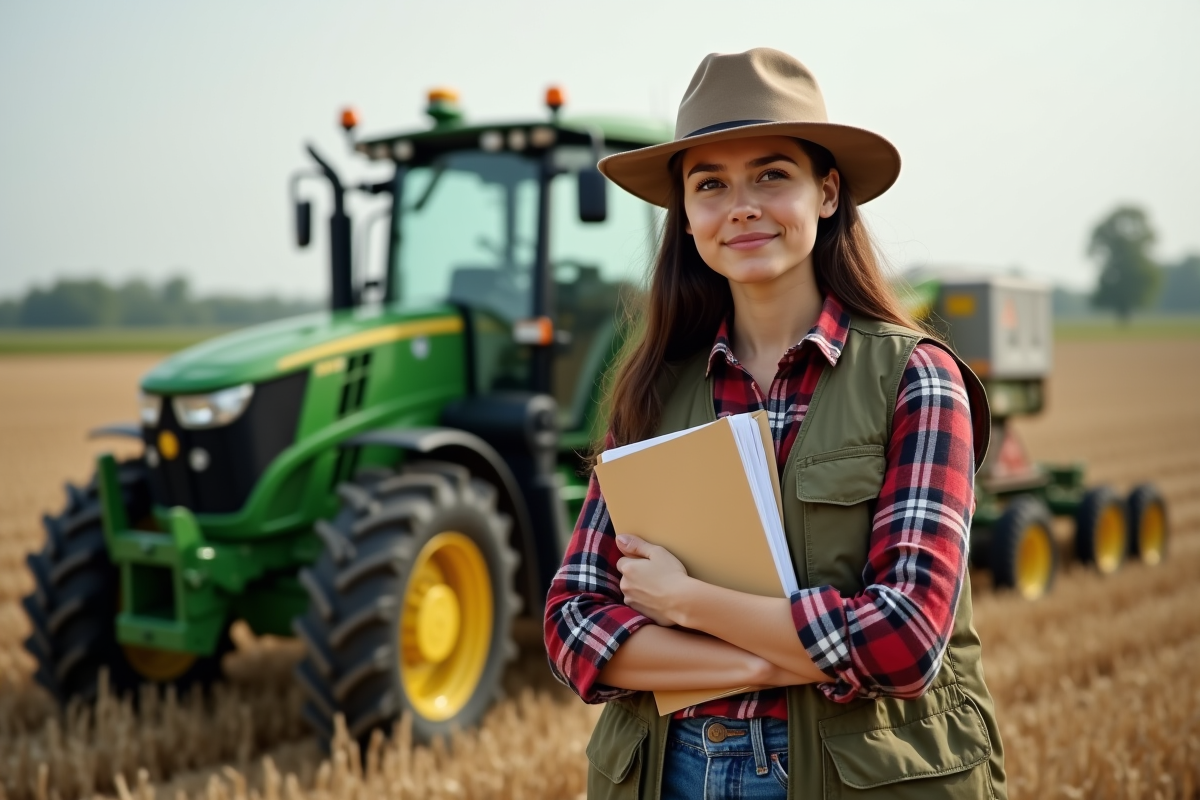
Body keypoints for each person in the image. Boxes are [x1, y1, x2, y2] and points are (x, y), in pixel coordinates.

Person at [543, 48, 1006, 799]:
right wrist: (767, 661)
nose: (741, 205)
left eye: (771, 175)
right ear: (686, 215)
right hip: (677, 771)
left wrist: (691, 605)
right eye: (710, 184)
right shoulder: (652, 390)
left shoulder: (916, 379)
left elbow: (907, 638)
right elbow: (571, 626)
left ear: (826, 193)